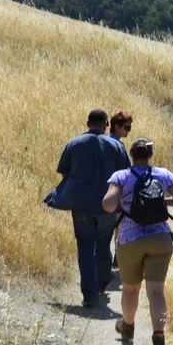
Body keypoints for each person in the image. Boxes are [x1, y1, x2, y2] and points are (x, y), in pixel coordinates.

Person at [103, 137, 173, 345]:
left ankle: (128, 326)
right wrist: (161, 201)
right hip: (160, 238)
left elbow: (109, 205)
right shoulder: (162, 174)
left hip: (129, 240)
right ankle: (159, 338)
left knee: (131, 289)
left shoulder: (121, 176)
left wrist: (125, 200)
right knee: (156, 292)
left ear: (131, 154)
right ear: (150, 155)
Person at [54, 109, 131, 307]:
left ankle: (89, 295)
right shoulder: (116, 146)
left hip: (81, 206)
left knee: (85, 248)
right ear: (105, 124)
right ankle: (102, 284)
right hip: (108, 207)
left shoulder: (74, 144)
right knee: (103, 245)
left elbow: (64, 173)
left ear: (88, 123)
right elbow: (126, 176)